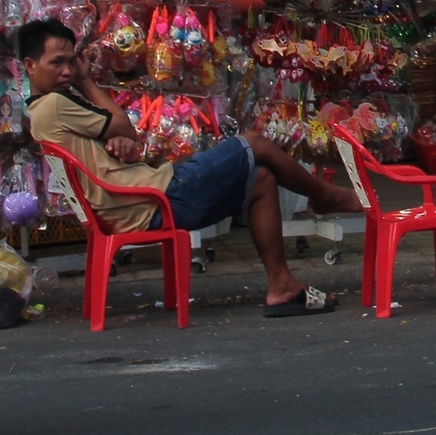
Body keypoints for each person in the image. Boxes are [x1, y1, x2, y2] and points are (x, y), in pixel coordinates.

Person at [19, 18, 363, 317]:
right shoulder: (53, 105)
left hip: (140, 196)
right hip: (153, 199)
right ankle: (326, 196)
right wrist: (86, 81)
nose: (66, 71)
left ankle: (282, 286)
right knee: (255, 142)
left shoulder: (45, 109)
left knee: (261, 180)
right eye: (56, 63)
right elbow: (123, 125)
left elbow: (123, 138)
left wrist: (120, 143)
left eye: (70, 62)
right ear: (30, 66)